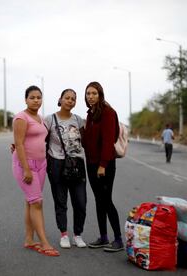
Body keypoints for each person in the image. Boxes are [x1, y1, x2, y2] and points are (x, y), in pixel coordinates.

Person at [12, 85, 60, 257]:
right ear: (26, 99)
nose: (36, 100)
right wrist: (26, 169)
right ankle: (45, 243)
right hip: (27, 165)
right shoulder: (21, 117)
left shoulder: (40, 118)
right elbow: (18, 143)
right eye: (32, 97)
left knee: (31, 202)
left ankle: (29, 239)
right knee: (37, 202)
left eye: (39, 97)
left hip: (41, 164)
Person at [82, 81, 124, 252]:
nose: (90, 97)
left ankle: (118, 239)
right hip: (91, 163)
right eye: (88, 94)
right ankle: (104, 237)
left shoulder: (108, 112)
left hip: (104, 165)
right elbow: (88, 142)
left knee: (106, 201)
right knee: (99, 201)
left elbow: (109, 141)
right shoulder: (91, 114)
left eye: (94, 93)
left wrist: (103, 165)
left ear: (100, 94)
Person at [45, 89, 87, 249]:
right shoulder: (50, 119)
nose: (70, 101)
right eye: (67, 98)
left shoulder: (78, 120)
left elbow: (86, 140)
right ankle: (64, 234)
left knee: (80, 202)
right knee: (60, 201)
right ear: (60, 99)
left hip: (77, 163)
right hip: (57, 163)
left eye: (73, 99)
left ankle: (78, 234)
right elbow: (39, 138)